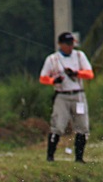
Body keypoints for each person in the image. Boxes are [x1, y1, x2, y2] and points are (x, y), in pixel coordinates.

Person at [39, 32, 94, 163]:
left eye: (72, 44)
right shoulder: (52, 59)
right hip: (62, 95)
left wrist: (76, 73)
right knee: (58, 125)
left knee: (82, 125)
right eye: (67, 44)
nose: (70, 47)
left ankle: (79, 157)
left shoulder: (79, 56)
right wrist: (53, 81)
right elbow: (43, 78)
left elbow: (90, 74)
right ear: (60, 44)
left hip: (78, 95)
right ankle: (50, 156)